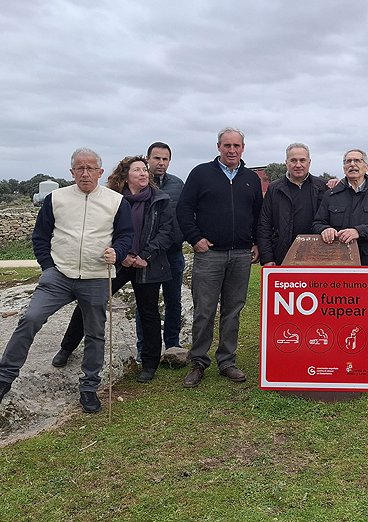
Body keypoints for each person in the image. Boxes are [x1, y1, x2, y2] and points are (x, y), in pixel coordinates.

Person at [0, 148, 133, 414]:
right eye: (79, 168)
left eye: (90, 168)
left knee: (95, 333)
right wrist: (48, 268)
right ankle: (3, 381)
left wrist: (117, 252)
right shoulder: (56, 198)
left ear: (100, 171)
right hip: (59, 275)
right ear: (71, 172)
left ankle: (89, 387)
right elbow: (40, 237)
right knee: (30, 319)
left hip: (97, 276)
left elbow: (125, 236)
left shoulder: (117, 201)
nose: (85, 174)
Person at [53, 156, 176, 383]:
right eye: (137, 170)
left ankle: (149, 364)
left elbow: (167, 232)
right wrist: (125, 255)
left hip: (147, 265)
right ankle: (66, 348)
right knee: (89, 304)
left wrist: (144, 256)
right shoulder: (112, 199)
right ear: (125, 175)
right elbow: (102, 230)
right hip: (118, 262)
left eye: (144, 170)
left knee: (149, 313)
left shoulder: (160, 199)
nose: (143, 174)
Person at [176, 127, 262, 387]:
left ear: (243, 148)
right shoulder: (201, 174)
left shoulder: (251, 178)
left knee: (233, 310)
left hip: (240, 254)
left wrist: (257, 242)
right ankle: (198, 361)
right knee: (204, 310)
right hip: (210, 254)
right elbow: (184, 209)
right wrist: (195, 239)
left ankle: (227, 361)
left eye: (236, 146)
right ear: (218, 147)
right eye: (227, 146)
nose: (232, 150)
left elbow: (259, 214)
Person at [137, 141, 185, 356]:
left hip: (173, 253)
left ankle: (172, 345)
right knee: (146, 305)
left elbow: (184, 214)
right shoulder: (139, 185)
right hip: (148, 256)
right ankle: (144, 349)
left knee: (173, 301)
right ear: (148, 159)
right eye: (156, 158)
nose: (161, 163)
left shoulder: (178, 184)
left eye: (165, 159)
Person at [312, 149, 368, 274]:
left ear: (366, 167)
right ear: (344, 168)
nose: (352, 164)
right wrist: (324, 229)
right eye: (348, 161)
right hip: (336, 264)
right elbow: (317, 223)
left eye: (357, 161)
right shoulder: (331, 195)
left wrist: (359, 231)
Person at [258, 143, 330, 266]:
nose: (298, 165)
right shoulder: (274, 189)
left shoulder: (324, 187)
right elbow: (264, 224)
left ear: (309, 162)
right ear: (286, 162)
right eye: (293, 160)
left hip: (318, 256)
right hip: (283, 256)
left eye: (302, 160)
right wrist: (267, 258)